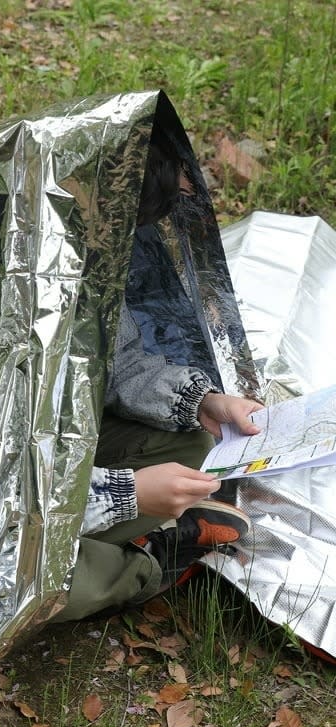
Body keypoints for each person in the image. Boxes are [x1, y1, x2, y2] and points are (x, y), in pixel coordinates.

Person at [52, 126, 264, 622]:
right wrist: (126, 493)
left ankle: (151, 523)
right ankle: (153, 557)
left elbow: (120, 361)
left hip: (66, 449)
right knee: (53, 585)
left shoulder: (83, 257)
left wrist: (203, 401)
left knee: (193, 444)